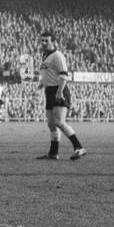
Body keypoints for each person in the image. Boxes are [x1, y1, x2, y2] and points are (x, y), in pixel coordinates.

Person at [38, 30, 85, 161]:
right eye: (42, 40)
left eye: (46, 40)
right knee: (51, 123)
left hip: (59, 90)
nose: (43, 43)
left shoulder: (57, 55)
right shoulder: (45, 55)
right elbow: (49, 74)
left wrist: (59, 92)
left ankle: (79, 147)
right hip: (49, 91)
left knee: (59, 122)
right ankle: (53, 153)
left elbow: (64, 75)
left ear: (53, 42)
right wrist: (41, 84)